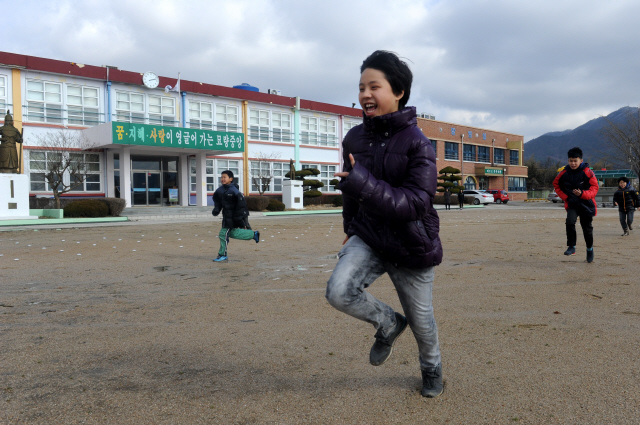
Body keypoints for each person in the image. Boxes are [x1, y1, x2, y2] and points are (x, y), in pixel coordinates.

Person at [325, 50, 444, 398]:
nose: (364, 94)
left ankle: (432, 367)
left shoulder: (418, 142)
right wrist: (350, 229)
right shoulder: (353, 139)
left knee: (422, 322)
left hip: (411, 242)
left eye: (373, 86)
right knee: (338, 291)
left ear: (398, 92)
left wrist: (362, 183)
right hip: (369, 235)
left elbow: (417, 203)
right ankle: (389, 323)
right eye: (361, 87)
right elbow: (350, 188)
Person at [552, 147, 598, 263]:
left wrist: (582, 194)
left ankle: (589, 249)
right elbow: (556, 185)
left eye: (575, 161)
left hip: (586, 203)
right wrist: (565, 197)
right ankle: (572, 246)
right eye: (570, 161)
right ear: (568, 161)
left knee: (587, 229)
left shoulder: (588, 172)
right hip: (572, 203)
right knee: (570, 222)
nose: (573, 163)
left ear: (581, 160)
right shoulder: (564, 173)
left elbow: (594, 188)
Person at [211, 170, 259, 261]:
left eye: (225, 177)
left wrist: (241, 217)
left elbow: (242, 206)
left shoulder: (235, 191)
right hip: (226, 217)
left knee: (222, 234)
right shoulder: (220, 190)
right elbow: (217, 200)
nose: (222, 179)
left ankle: (222, 255)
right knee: (231, 233)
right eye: (221, 177)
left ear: (231, 179)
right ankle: (253, 234)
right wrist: (217, 209)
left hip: (233, 217)